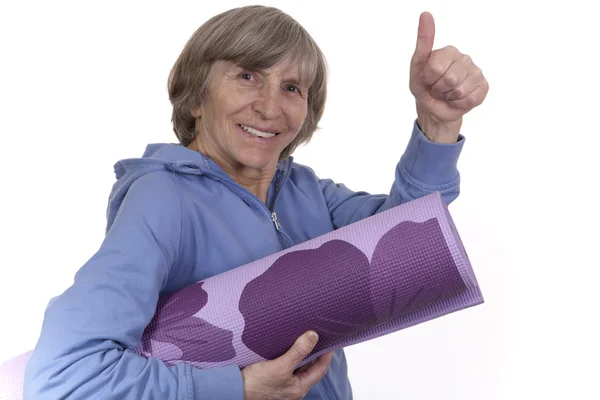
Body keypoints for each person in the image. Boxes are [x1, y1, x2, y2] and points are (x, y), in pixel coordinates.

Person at [23, 5, 488, 400]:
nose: (269, 107)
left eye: (292, 87)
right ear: (196, 97)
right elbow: (65, 375)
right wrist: (237, 389)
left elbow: (411, 245)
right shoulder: (163, 198)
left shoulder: (306, 191)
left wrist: (437, 122)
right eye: (247, 76)